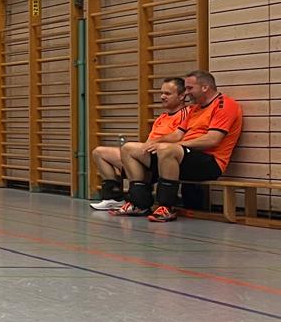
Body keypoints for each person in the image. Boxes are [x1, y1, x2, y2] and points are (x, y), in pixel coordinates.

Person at [120, 70, 243, 222]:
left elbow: (212, 139)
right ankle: (139, 203)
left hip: (210, 161)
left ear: (205, 87)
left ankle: (166, 207)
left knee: (167, 150)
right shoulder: (195, 109)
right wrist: (155, 142)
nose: (187, 93)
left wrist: (173, 146)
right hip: (183, 154)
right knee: (129, 149)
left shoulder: (224, 105)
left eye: (190, 88)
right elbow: (177, 134)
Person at [89, 77, 189, 211]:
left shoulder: (187, 114)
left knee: (129, 147)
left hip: (163, 158)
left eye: (167, 93)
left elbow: (180, 138)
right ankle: (114, 198)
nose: (162, 97)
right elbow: (149, 142)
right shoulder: (162, 118)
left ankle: (139, 201)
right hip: (148, 155)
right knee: (99, 152)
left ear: (181, 96)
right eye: (161, 93)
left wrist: (155, 143)